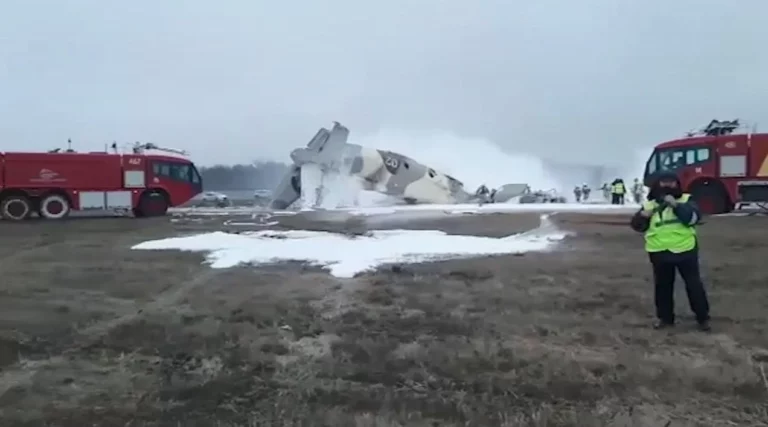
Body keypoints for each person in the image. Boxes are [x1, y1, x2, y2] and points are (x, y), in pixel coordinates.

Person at [629, 172, 711, 331]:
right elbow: (637, 226)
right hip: (659, 251)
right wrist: (642, 217)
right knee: (663, 287)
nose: (667, 186)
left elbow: (693, 219)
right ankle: (665, 319)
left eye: (671, 182)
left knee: (694, 286)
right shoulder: (649, 205)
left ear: (678, 184)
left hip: (685, 249)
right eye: (664, 182)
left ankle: (702, 318)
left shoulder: (687, 200)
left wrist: (676, 205)